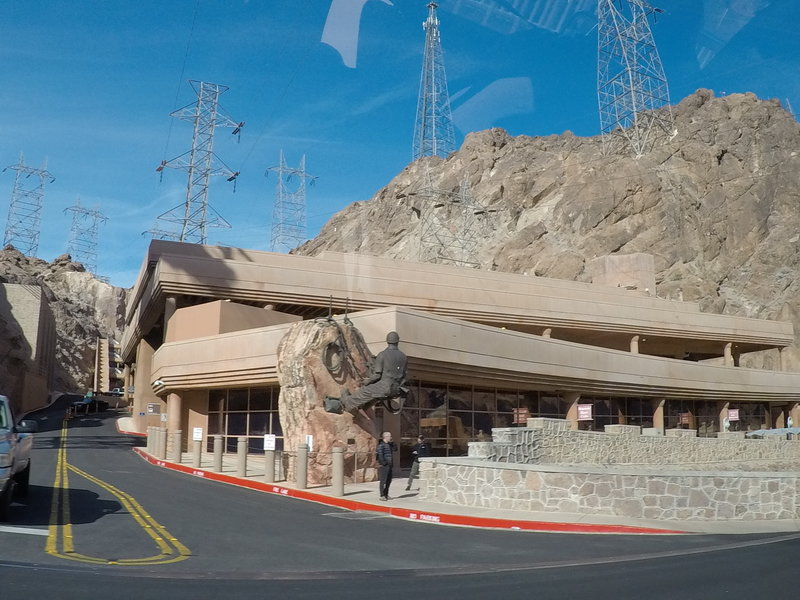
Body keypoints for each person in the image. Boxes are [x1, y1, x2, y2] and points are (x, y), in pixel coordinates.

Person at [325, 331, 408, 414]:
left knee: (365, 390)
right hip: (397, 389)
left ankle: (345, 403)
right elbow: (404, 376)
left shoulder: (383, 355)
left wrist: (367, 381)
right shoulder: (404, 357)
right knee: (374, 394)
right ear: (398, 341)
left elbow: (377, 375)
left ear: (387, 341)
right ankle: (362, 406)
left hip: (384, 387)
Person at [376, 431, 395, 500]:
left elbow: (395, 449)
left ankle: (386, 494)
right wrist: (384, 463)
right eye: (390, 436)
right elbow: (380, 455)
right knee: (383, 480)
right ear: (386, 437)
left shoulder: (389, 445)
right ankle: (382, 495)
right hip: (384, 465)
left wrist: (392, 442)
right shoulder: (381, 445)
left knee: (388, 480)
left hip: (390, 465)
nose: (391, 437)